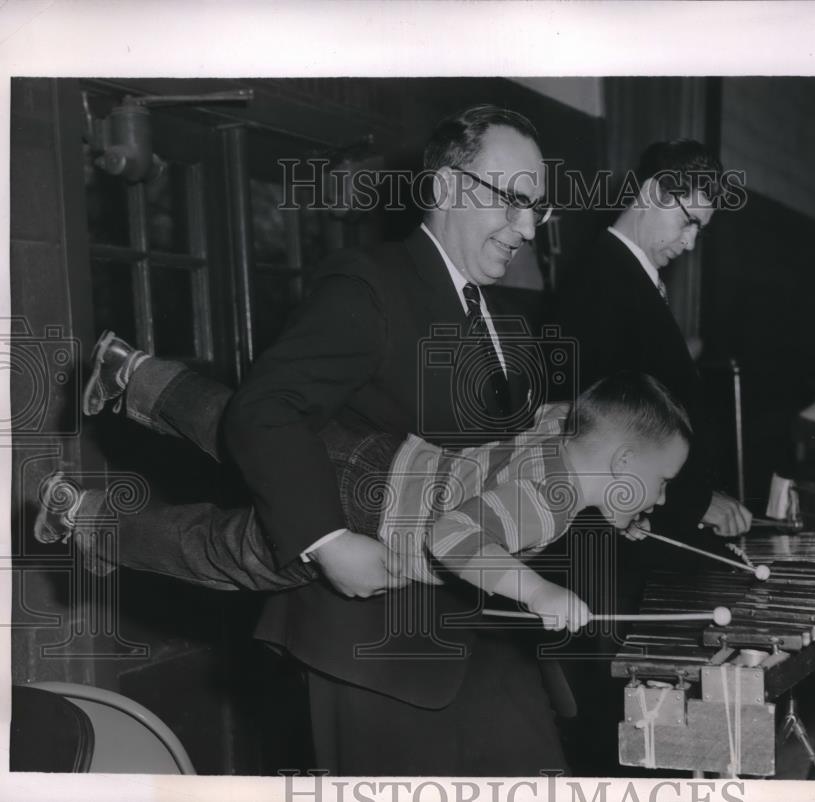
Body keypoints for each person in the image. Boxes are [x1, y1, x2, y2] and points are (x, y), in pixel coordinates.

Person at [71, 105, 568, 776]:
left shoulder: (505, 324)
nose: (527, 227)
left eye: (537, 208)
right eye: (513, 201)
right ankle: (89, 516)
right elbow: (263, 411)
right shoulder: (370, 286)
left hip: (487, 634)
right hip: (376, 647)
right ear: (448, 187)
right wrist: (329, 543)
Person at [39, 353, 692, 636]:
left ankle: (134, 373)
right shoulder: (545, 505)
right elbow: (455, 538)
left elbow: (559, 441)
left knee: (246, 429)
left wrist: (613, 509)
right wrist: (539, 591)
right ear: (626, 461)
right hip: (361, 515)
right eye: (661, 483)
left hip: (376, 455)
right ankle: (84, 517)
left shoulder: (556, 436)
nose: (661, 497)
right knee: (224, 553)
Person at [553, 139, 752, 773]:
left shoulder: (629, 277)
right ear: (650, 193)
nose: (691, 243)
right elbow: (601, 431)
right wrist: (693, 500)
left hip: (641, 534)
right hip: (612, 551)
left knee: (650, 739)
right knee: (618, 745)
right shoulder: (601, 280)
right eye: (687, 221)